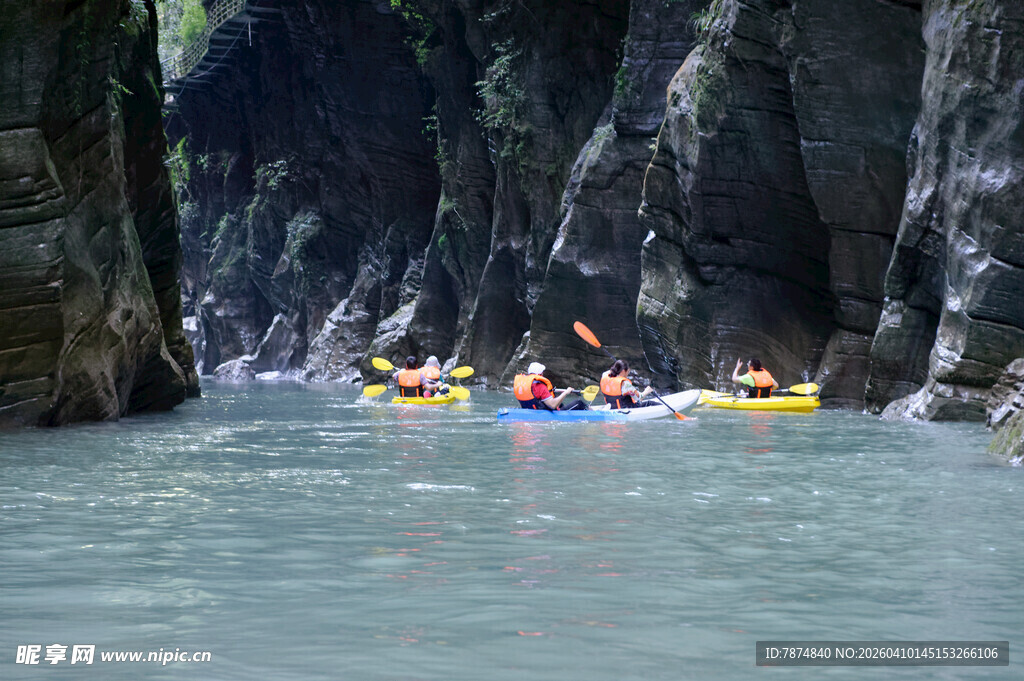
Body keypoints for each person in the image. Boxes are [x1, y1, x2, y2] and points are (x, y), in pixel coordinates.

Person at [513, 362, 587, 410]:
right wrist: (566, 393)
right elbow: (552, 405)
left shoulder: (525, 385)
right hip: (545, 413)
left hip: (533, 410)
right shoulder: (540, 386)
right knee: (579, 403)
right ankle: (595, 413)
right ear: (540, 374)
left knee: (560, 404)